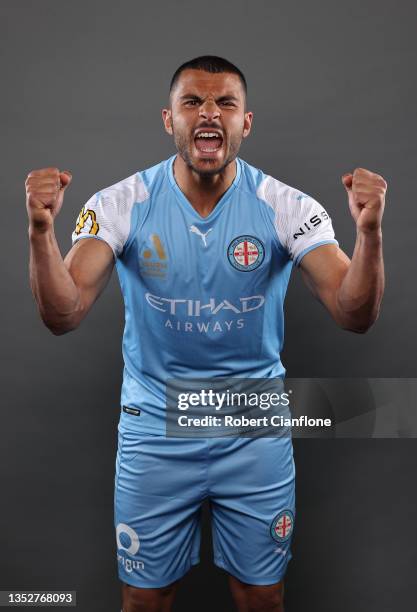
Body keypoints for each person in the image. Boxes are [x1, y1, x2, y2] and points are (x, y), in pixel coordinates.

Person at [25, 55, 387, 612]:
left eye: (225, 103)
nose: (209, 113)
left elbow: (353, 313)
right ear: (169, 120)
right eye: (192, 102)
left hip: (252, 427)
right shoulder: (120, 204)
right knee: (145, 599)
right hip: (155, 431)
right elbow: (63, 313)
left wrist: (369, 237)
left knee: (262, 596)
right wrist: (41, 235)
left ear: (246, 122)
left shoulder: (287, 207)